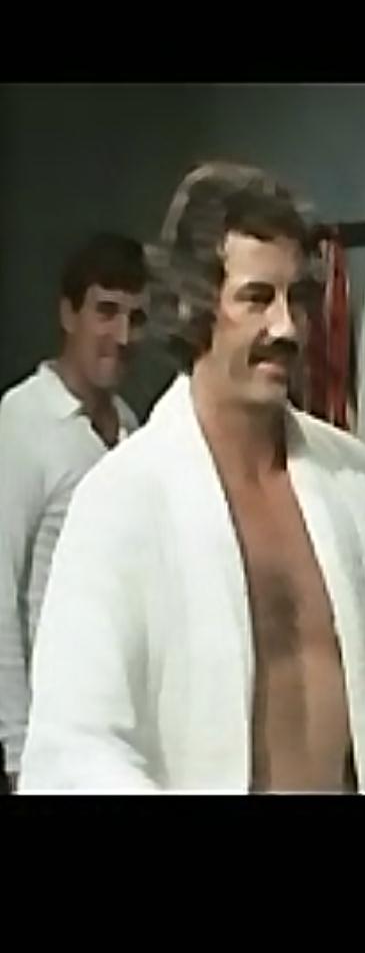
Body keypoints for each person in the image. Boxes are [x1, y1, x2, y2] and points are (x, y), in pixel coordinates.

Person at [20, 162, 365, 793]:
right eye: (256, 298)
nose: (286, 327)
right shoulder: (123, 502)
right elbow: (77, 752)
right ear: (193, 306)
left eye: (296, 299)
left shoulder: (353, 480)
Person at [0, 233, 148, 791]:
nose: (122, 336)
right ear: (68, 314)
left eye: (136, 317)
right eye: (105, 311)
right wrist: (18, 750)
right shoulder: (22, 421)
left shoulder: (132, 426)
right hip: (48, 737)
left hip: (117, 730)